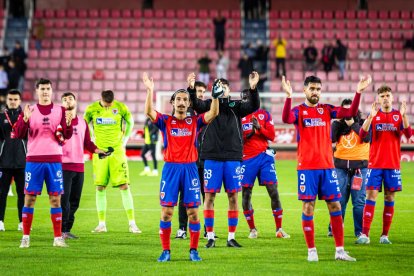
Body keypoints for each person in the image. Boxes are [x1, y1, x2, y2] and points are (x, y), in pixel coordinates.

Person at [281, 74, 372, 261]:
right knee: (308, 207)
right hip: (307, 168)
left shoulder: (326, 110)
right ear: (305, 90)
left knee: (335, 205)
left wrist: (358, 92)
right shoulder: (299, 111)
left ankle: (339, 251)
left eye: (318, 89)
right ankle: (311, 251)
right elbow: (285, 118)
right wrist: (288, 97)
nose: (315, 92)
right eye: (312, 89)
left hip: (327, 167)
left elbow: (349, 113)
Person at [143, 72, 221, 262]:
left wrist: (216, 97)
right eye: (178, 99)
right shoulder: (165, 121)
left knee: (193, 212)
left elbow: (213, 113)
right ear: (172, 102)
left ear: (188, 104)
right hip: (170, 170)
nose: (181, 102)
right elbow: (149, 112)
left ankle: (193, 250)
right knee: (167, 212)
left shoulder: (195, 121)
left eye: (185, 99)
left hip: (190, 170)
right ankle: (166, 251)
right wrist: (150, 90)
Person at [189, 71, 260, 249]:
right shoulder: (208, 105)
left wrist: (253, 88)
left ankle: (231, 237)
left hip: (232, 156)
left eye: (224, 87)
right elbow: (195, 103)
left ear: (229, 90)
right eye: (218, 86)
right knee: (209, 196)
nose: (222, 90)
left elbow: (253, 106)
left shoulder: (236, 105)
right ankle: (211, 236)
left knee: (233, 196)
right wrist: (191, 89)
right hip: (211, 156)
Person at [14, 78, 74, 248]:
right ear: (37, 91)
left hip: (54, 160)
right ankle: (25, 237)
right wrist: (24, 120)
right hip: (34, 160)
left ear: (51, 90)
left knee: (55, 199)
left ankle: (57, 238)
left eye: (48, 88)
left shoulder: (60, 110)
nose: (45, 91)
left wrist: (68, 124)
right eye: (42, 89)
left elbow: (66, 135)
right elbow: (18, 134)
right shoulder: (29, 110)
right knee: (29, 198)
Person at [356, 85, 412, 245]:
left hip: (392, 164)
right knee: (370, 196)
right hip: (375, 164)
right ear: (378, 99)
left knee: (389, 197)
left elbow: (409, 135)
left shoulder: (397, 115)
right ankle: (365, 234)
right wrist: (370, 118)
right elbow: (362, 135)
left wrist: (404, 116)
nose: (385, 98)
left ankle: (384, 236)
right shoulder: (374, 115)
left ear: (392, 97)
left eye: (388, 95)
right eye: (382, 96)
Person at [84, 90, 141, 234]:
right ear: (101, 99)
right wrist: (91, 138)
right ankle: (101, 224)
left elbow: (130, 121)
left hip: (117, 152)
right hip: (100, 152)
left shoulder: (120, 107)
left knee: (124, 186)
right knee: (100, 187)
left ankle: (132, 224)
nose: (109, 107)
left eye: (110, 104)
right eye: (106, 104)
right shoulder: (91, 109)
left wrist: (125, 139)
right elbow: (84, 124)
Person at [240, 90, 290, 239]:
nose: (246, 101)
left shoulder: (264, 114)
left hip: (264, 157)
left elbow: (272, 136)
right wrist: (250, 133)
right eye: (244, 99)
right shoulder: (238, 116)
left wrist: (259, 128)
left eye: (248, 98)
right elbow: (236, 140)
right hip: (246, 159)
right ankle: (252, 229)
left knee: (273, 190)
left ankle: (279, 229)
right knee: (246, 193)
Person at [60, 92, 105, 239]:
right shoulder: (58, 122)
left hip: (79, 166)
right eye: (65, 100)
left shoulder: (82, 122)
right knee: (64, 201)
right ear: (61, 104)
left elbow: (87, 143)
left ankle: (66, 230)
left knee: (75, 201)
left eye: (70, 98)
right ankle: (60, 230)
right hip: (63, 166)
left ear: (75, 101)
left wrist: (99, 151)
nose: (68, 101)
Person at [327, 99, 370, 238]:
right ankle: (334, 228)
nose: (348, 114)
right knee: (340, 200)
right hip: (340, 167)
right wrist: (340, 123)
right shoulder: (337, 124)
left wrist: (353, 125)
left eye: (350, 111)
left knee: (359, 202)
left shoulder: (363, 123)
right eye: (345, 111)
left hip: (360, 168)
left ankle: (359, 232)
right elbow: (331, 138)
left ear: (356, 111)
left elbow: (367, 137)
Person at [176, 81, 207, 239]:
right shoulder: (186, 112)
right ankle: (182, 228)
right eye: (198, 91)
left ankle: (208, 229)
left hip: (206, 158)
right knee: (184, 195)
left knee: (207, 194)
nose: (200, 94)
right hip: (188, 161)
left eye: (202, 91)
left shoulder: (208, 110)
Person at [0, 90, 26, 232]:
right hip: (4, 163)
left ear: (20, 101)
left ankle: (22, 222)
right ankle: (0, 221)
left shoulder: (25, 116)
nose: (13, 101)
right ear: (7, 100)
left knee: (22, 194)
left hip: (22, 162)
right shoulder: (0, 117)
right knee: (1, 193)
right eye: (10, 99)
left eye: (15, 99)